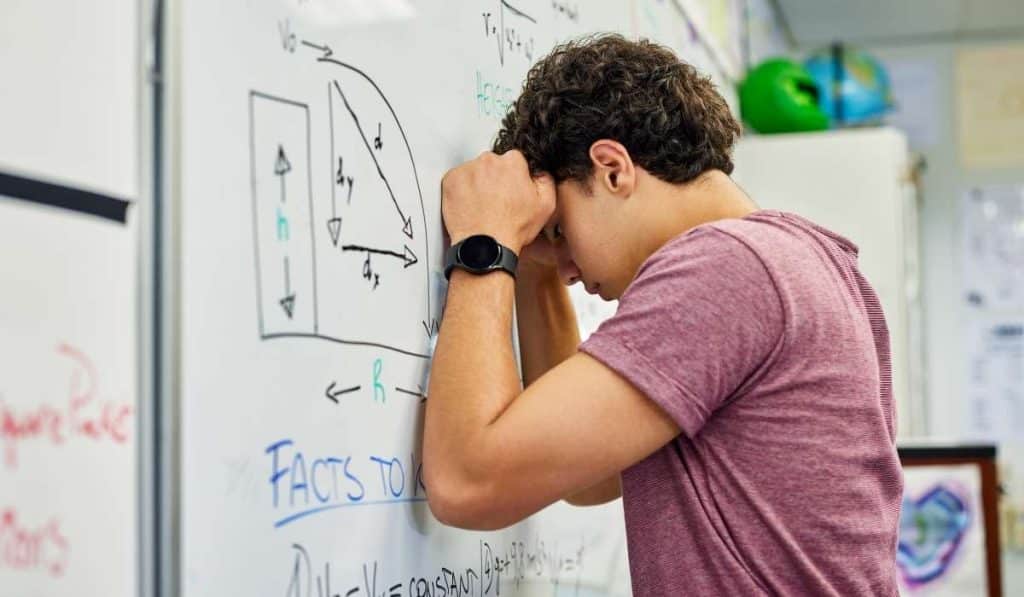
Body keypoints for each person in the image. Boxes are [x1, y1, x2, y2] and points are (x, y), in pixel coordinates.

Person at [424, 34, 902, 596]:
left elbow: (467, 483)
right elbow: (585, 475)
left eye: (559, 231)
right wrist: (532, 267)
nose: (567, 268)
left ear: (612, 169)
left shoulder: (724, 267)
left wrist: (486, 241)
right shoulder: (802, 260)